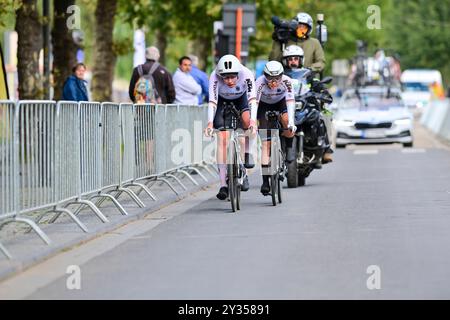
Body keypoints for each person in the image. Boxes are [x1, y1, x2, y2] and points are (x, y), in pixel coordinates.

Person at [204, 54, 257, 200]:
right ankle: (223, 184)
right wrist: (209, 122)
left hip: (241, 99)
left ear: (238, 73)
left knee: (248, 124)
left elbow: (252, 99)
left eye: (233, 77)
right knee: (222, 139)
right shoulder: (214, 76)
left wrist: (252, 120)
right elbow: (212, 101)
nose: (230, 81)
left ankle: (247, 153)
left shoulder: (246, 73)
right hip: (222, 102)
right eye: (226, 78)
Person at [282, 44, 333, 164]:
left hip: (304, 104)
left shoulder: (308, 74)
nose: (293, 62)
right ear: (285, 61)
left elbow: (316, 84)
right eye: (290, 59)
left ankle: (325, 149)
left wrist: (322, 92)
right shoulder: (281, 75)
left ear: (301, 60)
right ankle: (272, 151)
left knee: (319, 116)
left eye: (296, 59)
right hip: (287, 107)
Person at [255, 61, 297, 195]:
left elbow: (290, 102)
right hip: (263, 106)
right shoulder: (259, 82)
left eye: (277, 79)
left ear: (282, 76)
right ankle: (265, 181)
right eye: (270, 79)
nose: (273, 83)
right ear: (265, 76)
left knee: (286, 121)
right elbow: (254, 103)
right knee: (265, 145)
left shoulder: (287, 81)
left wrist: (290, 122)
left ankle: (289, 147)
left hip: (281, 103)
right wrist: (252, 121)